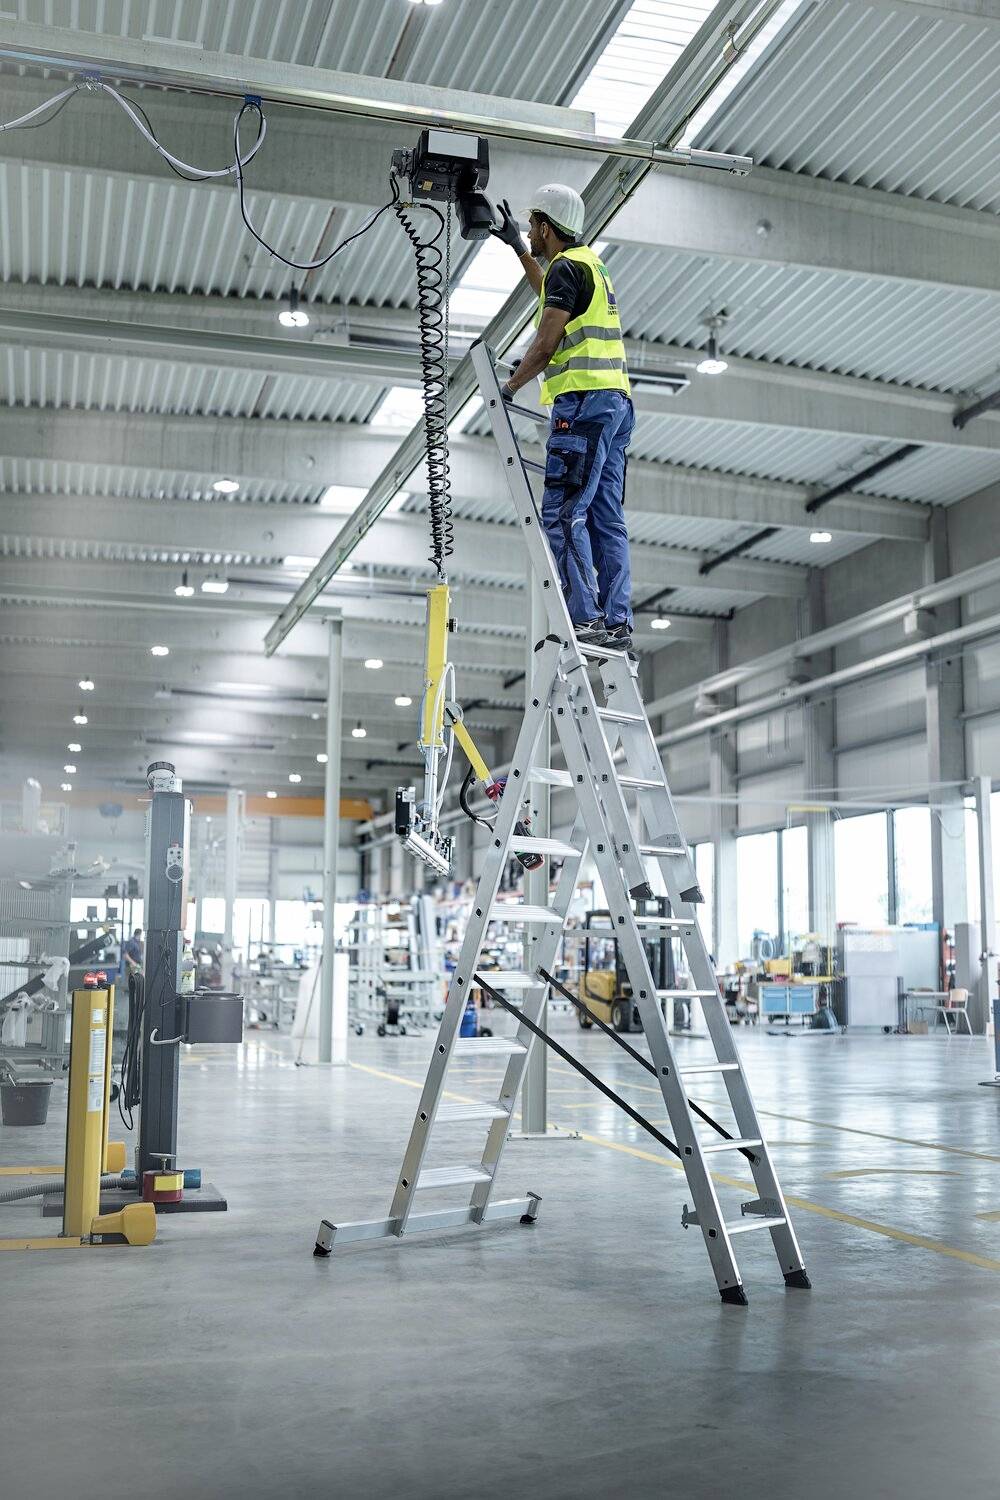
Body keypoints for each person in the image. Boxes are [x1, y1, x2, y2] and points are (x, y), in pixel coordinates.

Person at [490, 183, 635, 650]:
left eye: (531, 226)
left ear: (547, 228)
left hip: (584, 404)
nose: (530, 231)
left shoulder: (568, 270)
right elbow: (548, 293)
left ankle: (586, 617)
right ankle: (616, 620)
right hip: (615, 404)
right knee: (605, 516)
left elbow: (547, 343)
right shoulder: (589, 265)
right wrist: (516, 247)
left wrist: (509, 387)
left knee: (563, 512)